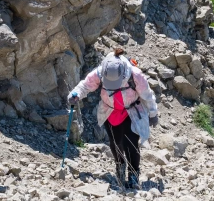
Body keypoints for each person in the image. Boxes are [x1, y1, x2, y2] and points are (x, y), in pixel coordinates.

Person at [68, 47, 159, 190]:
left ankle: (134, 175)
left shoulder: (135, 74)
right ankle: (120, 167)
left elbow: (147, 94)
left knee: (131, 142)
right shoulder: (100, 72)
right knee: (116, 143)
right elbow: (86, 85)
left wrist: (153, 113)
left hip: (131, 111)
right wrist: (76, 94)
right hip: (110, 111)